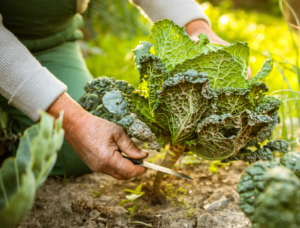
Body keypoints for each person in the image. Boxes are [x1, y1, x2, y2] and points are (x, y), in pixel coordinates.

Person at [0, 0, 229, 180]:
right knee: (72, 129)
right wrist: (72, 120)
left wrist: (196, 27)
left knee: (72, 152)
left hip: (50, 42)